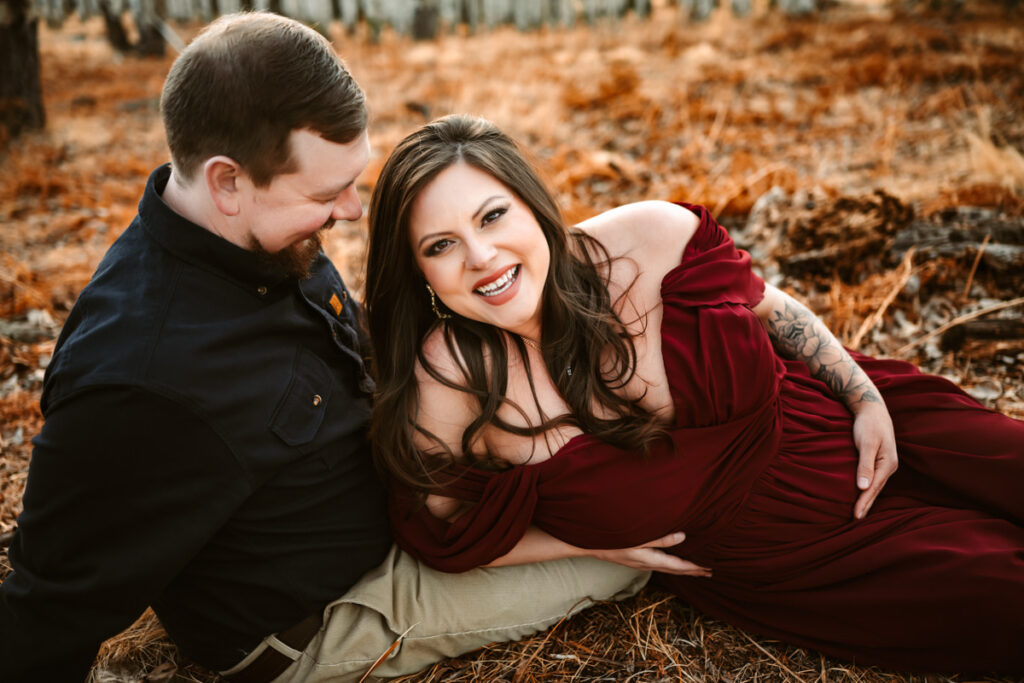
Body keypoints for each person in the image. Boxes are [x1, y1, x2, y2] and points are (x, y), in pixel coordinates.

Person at [0, 15, 696, 683]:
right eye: (330, 191)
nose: (354, 210)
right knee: (640, 544)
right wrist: (583, 536)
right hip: (334, 611)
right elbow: (46, 604)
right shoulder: (137, 382)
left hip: (415, 504)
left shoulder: (265, 238)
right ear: (227, 181)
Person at [364, 114, 1024, 675]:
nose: (480, 255)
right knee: (1003, 601)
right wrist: (585, 544)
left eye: (494, 214)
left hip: (852, 423)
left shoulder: (647, 238)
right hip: (796, 561)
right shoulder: (447, 381)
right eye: (442, 244)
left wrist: (864, 395)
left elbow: (770, 306)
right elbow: (439, 523)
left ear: (533, 202)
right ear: (418, 269)